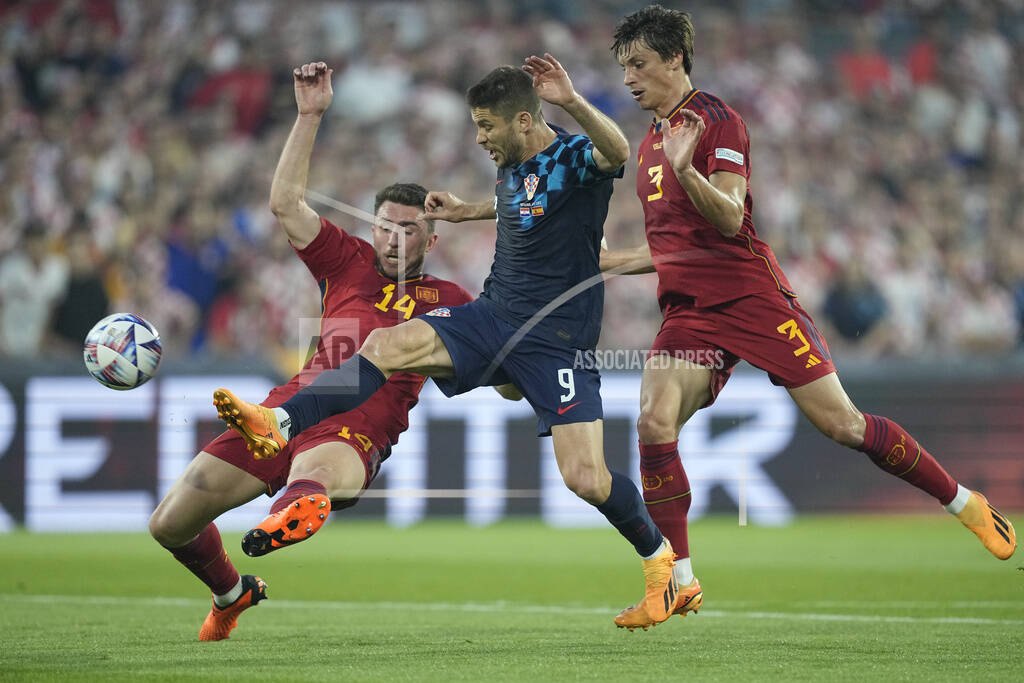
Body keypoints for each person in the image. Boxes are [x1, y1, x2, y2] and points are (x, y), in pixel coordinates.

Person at [214, 56, 684, 630]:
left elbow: (615, 151)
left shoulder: (571, 157)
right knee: (388, 346)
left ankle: (665, 570)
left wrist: (570, 100)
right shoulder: (512, 164)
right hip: (492, 316)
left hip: (557, 341)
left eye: (487, 126)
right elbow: (520, 202)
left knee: (585, 477)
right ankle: (279, 422)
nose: (480, 137)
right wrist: (468, 212)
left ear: (522, 119)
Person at [599, 5, 1016, 630]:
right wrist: (609, 261)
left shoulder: (718, 123)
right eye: (623, 66)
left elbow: (729, 218)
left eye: (638, 64)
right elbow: (670, 248)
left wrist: (688, 170)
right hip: (689, 312)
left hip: (752, 300)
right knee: (654, 420)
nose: (628, 78)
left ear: (675, 59)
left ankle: (966, 503)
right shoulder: (653, 141)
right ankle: (677, 583)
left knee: (843, 426)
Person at [148, 62, 477, 642]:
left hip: (358, 427)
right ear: (373, 228)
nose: (395, 238)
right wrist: (308, 116)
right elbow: (285, 204)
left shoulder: (450, 298)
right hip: (280, 411)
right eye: (386, 226)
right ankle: (232, 593)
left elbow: (486, 366)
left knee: (318, 472)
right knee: (170, 524)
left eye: (409, 229)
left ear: (432, 237)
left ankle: (296, 511)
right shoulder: (343, 260)